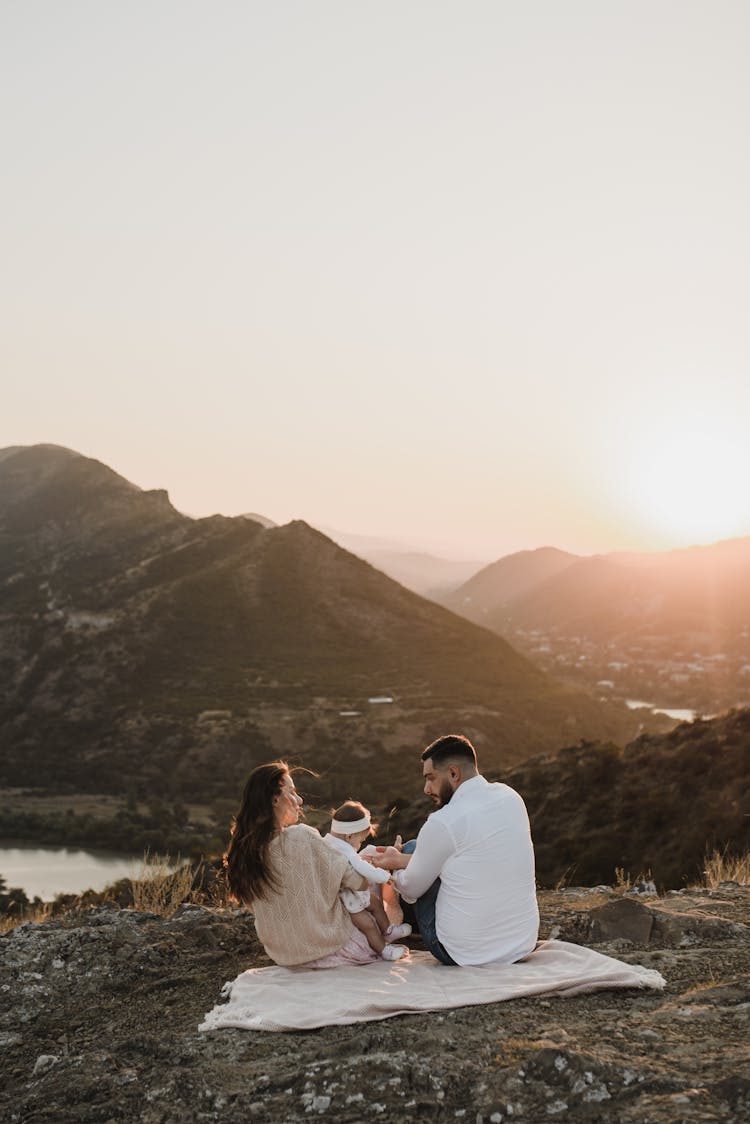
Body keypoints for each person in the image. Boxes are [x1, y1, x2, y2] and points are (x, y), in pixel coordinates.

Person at [372, 734, 539, 966]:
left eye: (430, 778)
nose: (426, 789)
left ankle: (391, 928)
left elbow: (412, 888)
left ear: (453, 773)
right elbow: (474, 855)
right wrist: (402, 860)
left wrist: (393, 868)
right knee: (425, 854)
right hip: (521, 943)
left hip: (461, 952)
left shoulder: (443, 821)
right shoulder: (511, 797)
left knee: (414, 847)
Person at [224, 761, 382, 968]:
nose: (299, 799)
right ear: (274, 799)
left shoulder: (246, 854)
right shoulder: (301, 837)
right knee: (374, 870)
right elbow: (358, 882)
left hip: (287, 956)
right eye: (292, 792)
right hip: (339, 949)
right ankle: (391, 936)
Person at [324, 800, 412, 961]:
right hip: (348, 903)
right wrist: (386, 877)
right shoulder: (347, 851)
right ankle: (383, 949)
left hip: (353, 894)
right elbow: (364, 869)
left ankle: (388, 930)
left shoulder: (328, 842)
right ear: (349, 835)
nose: (359, 845)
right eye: (360, 841)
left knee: (376, 902)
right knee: (368, 926)